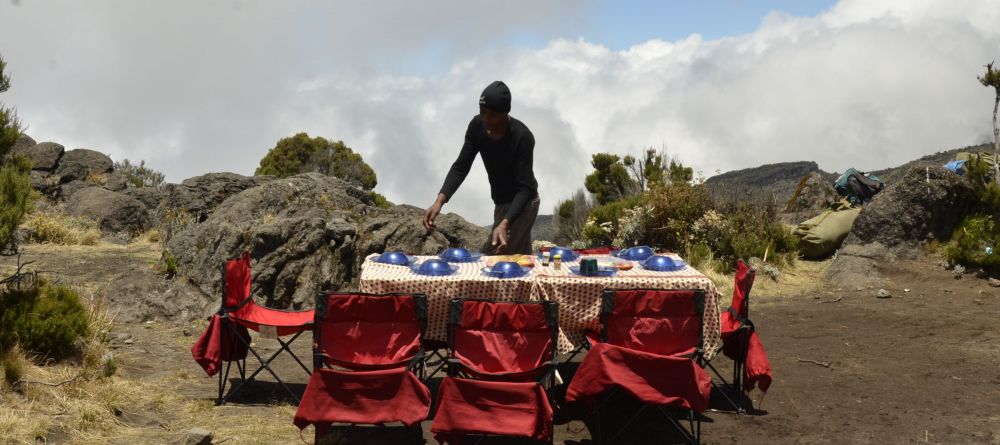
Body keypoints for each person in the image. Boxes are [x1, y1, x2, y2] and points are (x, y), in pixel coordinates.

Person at [422, 80, 540, 255]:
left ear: (504, 113)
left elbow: (524, 188)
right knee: (515, 257)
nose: (485, 119)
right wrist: (439, 201)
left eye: (492, 115)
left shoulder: (522, 137)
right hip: (500, 202)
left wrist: (505, 223)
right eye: (482, 112)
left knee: (496, 257)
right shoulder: (477, 126)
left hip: (524, 202)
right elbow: (461, 166)